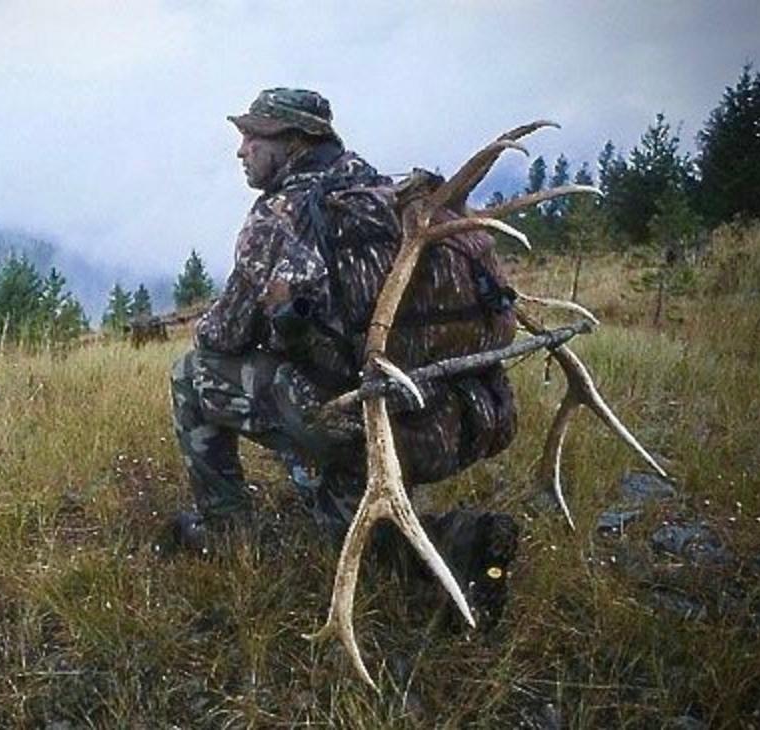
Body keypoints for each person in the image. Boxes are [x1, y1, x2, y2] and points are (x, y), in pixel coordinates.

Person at [168, 88, 520, 628]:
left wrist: (224, 324)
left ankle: (224, 530)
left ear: (293, 141)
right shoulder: (386, 192)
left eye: (253, 137)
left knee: (191, 375)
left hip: (359, 418)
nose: (241, 150)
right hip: (448, 415)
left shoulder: (279, 216)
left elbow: (224, 337)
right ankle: (460, 543)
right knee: (339, 527)